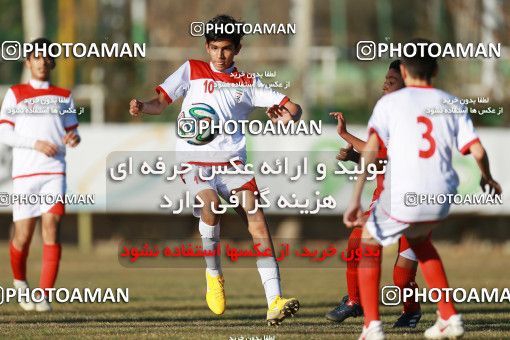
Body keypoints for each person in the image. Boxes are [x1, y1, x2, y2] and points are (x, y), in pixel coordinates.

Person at [129, 14, 302, 325]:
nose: (219, 55)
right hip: (194, 162)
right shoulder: (190, 70)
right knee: (210, 206)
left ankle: (275, 300)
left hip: (233, 164)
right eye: (214, 48)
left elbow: (293, 108)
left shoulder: (248, 83)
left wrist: (288, 116)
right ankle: (213, 275)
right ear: (206, 46)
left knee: (258, 222)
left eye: (226, 49)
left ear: (237, 49)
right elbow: (160, 102)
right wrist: (143, 106)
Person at [343, 38, 501, 339]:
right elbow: (477, 150)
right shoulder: (451, 102)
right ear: (436, 69)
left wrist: (355, 198)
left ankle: (372, 326)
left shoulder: (389, 103)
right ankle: (449, 316)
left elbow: (372, 150)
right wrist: (488, 178)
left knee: (367, 242)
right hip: (441, 194)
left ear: (403, 70)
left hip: (404, 191)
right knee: (421, 242)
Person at [326, 60, 423, 328]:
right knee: (356, 241)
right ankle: (354, 301)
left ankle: (412, 311)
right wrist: (354, 151)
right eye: (386, 79)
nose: (384, 85)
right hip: (386, 202)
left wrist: (351, 143)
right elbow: (378, 157)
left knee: (402, 279)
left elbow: (386, 157)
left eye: (391, 81)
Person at [0, 38, 81, 312]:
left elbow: (73, 131)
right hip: (25, 174)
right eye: (37, 57)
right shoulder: (16, 93)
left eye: (48, 57)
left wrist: (73, 137)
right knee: (22, 236)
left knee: (52, 227)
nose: (42, 61)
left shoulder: (64, 95)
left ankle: (43, 295)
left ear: (53, 62)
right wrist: (34, 144)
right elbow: (4, 133)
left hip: (54, 171)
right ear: (28, 61)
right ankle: (20, 282)